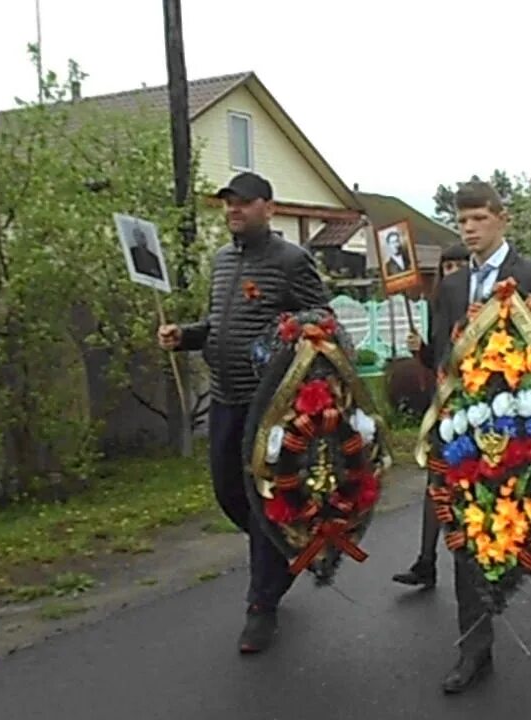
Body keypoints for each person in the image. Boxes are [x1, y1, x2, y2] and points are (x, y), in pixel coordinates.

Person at [157, 171, 329, 655]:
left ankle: (261, 606)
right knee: (229, 493)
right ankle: (284, 547)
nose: (233, 211)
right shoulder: (222, 262)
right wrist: (186, 336)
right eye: (228, 204)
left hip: (270, 406)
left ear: (268, 208)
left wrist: (294, 340)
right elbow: (218, 325)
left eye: (244, 203)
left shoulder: (292, 261)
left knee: (259, 501)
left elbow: (323, 319)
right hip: (225, 397)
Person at [425, 180, 531, 695]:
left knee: (522, 529)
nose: (469, 229)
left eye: (478, 219)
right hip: (464, 437)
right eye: (461, 221)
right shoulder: (452, 287)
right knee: (467, 537)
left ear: (502, 219)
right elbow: (442, 359)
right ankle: (474, 649)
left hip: (520, 433)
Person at [393, 244, 471, 589]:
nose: (453, 271)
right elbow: (438, 360)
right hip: (444, 406)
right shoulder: (438, 304)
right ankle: (426, 561)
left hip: (479, 409)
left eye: (460, 265)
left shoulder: (481, 303)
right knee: (435, 484)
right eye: (448, 265)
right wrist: (421, 351)